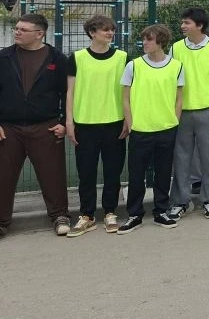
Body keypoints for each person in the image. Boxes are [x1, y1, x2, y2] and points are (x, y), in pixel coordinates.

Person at [0, 13, 70, 239]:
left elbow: (67, 94)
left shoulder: (57, 59)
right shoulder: (4, 57)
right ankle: (1, 222)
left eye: (23, 29)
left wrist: (63, 123)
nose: (17, 32)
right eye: (16, 28)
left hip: (46, 127)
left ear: (39, 34)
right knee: (3, 176)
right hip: (8, 128)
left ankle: (60, 216)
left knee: (53, 175)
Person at [118, 24, 185, 234]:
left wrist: (174, 121)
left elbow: (179, 98)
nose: (144, 43)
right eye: (144, 39)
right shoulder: (134, 66)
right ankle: (134, 215)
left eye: (149, 39)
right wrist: (131, 124)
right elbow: (125, 99)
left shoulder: (176, 66)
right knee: (136, 175)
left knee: (163, 173)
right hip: (140, 130)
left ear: (161, 41)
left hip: (167, 129)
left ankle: (161, 212)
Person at [65, 14, 127, 236]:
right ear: (92, 33)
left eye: (112, 29)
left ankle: (110, 212)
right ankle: (87, 216)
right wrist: (69, 122)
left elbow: (127, 93)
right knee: (86, 173)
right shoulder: (77, 57)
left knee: (113, 172)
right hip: (85, 124)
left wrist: (128, 119)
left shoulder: (122, 57)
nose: (110, 33)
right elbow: (70, 92)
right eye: (105, 29)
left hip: (114, 123)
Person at [166, 7, 209, 221]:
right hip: (182, 112)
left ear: (199, 25)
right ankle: (180, 202)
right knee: (181, 159)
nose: (182, 25)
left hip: (208, 110)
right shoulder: (175, 48)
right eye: (182, 22)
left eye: (187, 22)